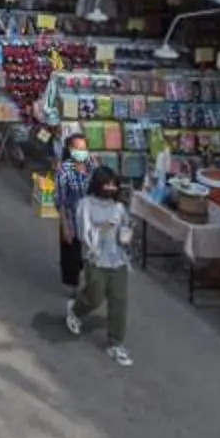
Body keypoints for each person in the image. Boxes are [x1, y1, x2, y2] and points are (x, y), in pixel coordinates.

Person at [64, 167, 138, 366]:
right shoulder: (85, 205)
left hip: (118, 260)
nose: (111, 188)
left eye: (114, 185)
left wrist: (127, 233)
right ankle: (77, 309)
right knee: (95, 296)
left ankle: (116, 343)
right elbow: (84, 234)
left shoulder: (119, 208)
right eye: (107, 184)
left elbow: (125, 232)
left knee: (119, 300)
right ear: (97, 185)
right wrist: (104, 228)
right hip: (96, 259)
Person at [52, 131, 97, 292]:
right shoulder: (64, 171)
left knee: (91, 252)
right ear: (70, 150)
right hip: (71, 218)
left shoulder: (92, 167)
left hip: (91, 218)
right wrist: (65, 225)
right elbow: (60, 200)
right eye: (77, 148)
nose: (81, 151)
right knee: (71, 255)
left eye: (83, 148)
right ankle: (72, 286)